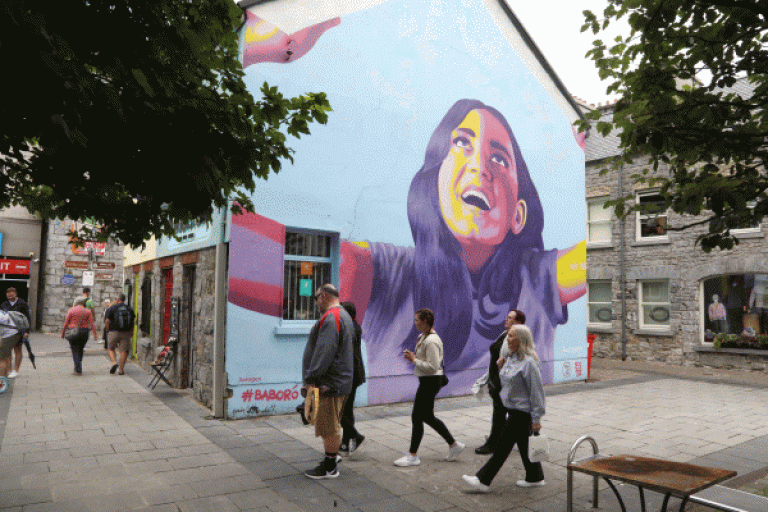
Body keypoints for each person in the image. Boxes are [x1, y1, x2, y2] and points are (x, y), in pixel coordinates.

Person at [338, 99, 586, 402]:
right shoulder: (387, 271)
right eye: (461, 143)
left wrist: (581, 150)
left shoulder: (538, 278)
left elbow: (595, 260)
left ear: (517, 215)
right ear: (436, 182)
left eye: (498, 158)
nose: (479, 166)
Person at [462, 325, 546, 492]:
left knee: (502, 448)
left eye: (511, 336)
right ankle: (535, 477)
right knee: (524, 446)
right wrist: (501, 367)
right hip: (513, 410)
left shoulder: (530, 363)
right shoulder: (511, 358)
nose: (507, 339)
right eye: (508, 335)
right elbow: (508, 383)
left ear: (521, 339)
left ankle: (483, 480)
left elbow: (537, 393)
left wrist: (536, 419)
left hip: (522, 413)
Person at [394, 308, 465, 467]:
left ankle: (413, 455)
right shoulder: (423, 337)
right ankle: (454, 445)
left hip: (431, 382)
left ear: (425, 322)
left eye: (417, 320)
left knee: (417, 417)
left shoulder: (431, 341)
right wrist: (414, 357)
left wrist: (414, 360)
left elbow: (433, 367)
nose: (415, 323)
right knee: (427, 416)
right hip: (426, 381)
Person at [302, 284, 355, 479]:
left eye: (316, 298)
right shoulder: (342, 315)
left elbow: (324, 352)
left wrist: (311, 379)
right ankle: (330, 459)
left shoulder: (332, 317)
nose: (316, 303)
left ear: (324, 296)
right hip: (337, 381)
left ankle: (330, 466)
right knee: (329, 424)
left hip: (329, 384)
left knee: (328, 426)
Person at [475, 309, 526, 455]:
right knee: (505, 414)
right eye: (507, 317)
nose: (506, 320)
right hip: (497, 381)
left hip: (504, 383)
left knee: (500, 414)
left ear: (518, 322)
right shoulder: (506, 334)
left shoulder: (518, 339)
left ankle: (494, 443)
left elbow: (518, 361)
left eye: (510, 318)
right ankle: (503, 439)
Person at [339, 301, 366, 456]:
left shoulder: (350, 329)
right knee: (347, 410)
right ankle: (344, 444)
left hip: (350, 374)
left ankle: (356, 436)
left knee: (340, 411)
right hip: (354, 374)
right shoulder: (354, 327)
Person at [61, 296, 98, 375]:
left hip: (73, 331)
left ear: (76, 302)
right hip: (84, 332)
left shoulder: (71, 310)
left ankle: (78, 369)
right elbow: (91, 323)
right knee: (80, 349)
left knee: (74, 350)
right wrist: (95, 334)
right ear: (83, 303)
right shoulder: (87, 311)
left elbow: (66, 322)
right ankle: (77, 367)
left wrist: (63, 333)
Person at [1, 287, 31, 379]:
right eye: (8, 294)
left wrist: (27, 331)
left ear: (16, 294)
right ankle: (9, 369)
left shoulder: (22, 303)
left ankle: (16, 370)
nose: (10, 296)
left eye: (12, 294)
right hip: (7, 332)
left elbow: (27, 317)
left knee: (17, 349)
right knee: (7, 351)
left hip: (19, 330)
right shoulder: (4, 304)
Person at [105, 294, 135, 375]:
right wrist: (131, 332)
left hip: (113, 332)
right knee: (124, 351)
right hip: (126, 332)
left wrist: (107, 330)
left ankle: (114, 362)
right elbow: (133, 322)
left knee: (111, 348)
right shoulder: (129, 309)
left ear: (117, 299)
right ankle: (121, 370)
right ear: (124, 300)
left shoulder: (112, 308)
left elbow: (107, 321)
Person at [0, 310, 22, 379]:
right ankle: (5, 376)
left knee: (2, 359)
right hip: (12, 333)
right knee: (5, 357)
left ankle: (2, 380)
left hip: (10, 334)